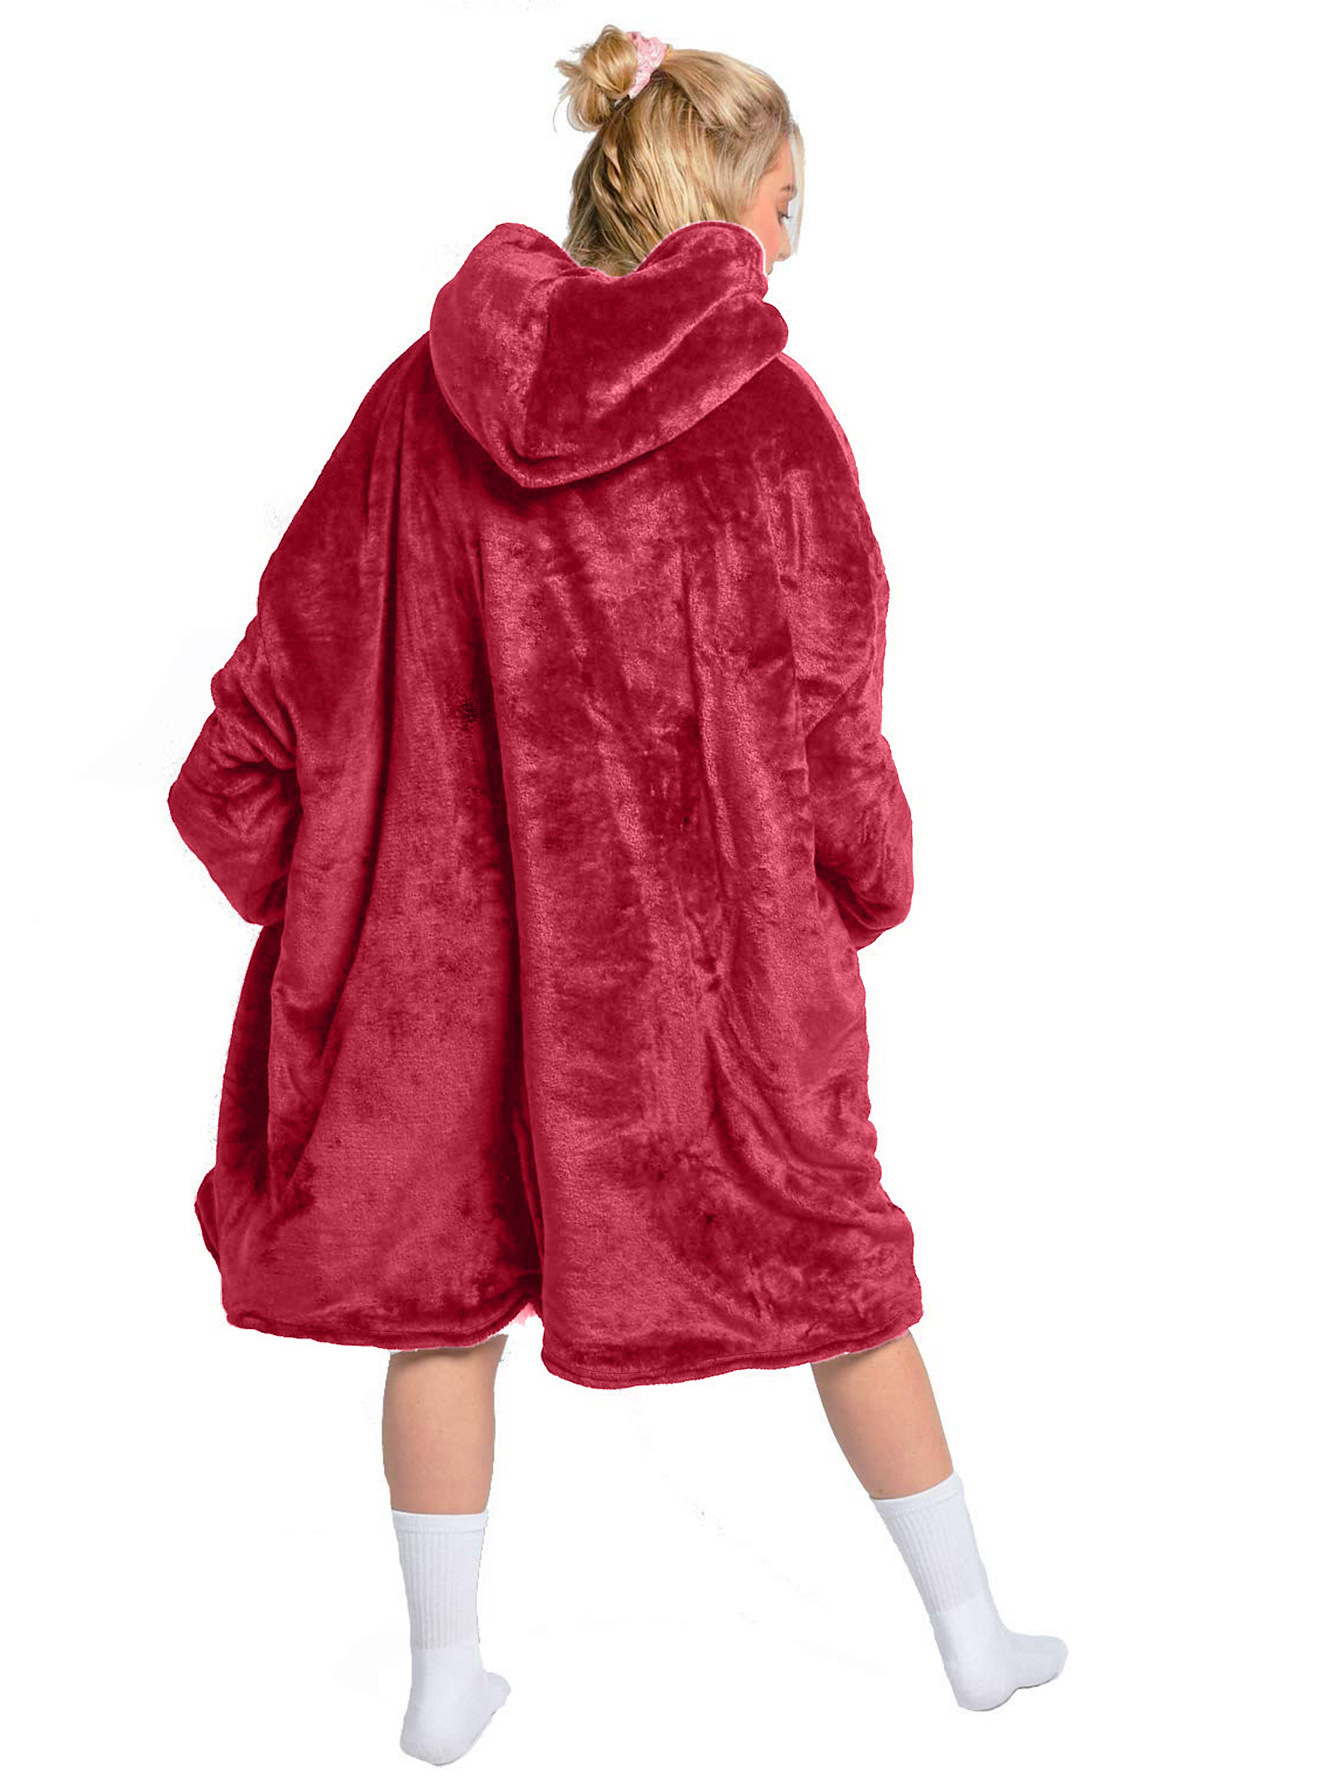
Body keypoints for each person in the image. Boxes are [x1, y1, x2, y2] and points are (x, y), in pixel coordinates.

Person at [167, 23, 1066, 1768]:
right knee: (843, 1280)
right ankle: (973, 1640)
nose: (795, 240)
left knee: (440, 1299)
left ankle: (443, 1682)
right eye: (790, 204)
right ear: (728, 202)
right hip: (707, 985)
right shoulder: (774, 420)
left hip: (450, 974)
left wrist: (288, 865)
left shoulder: (421, 397)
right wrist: (864, 878)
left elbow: (291, 658)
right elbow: (830, 709)